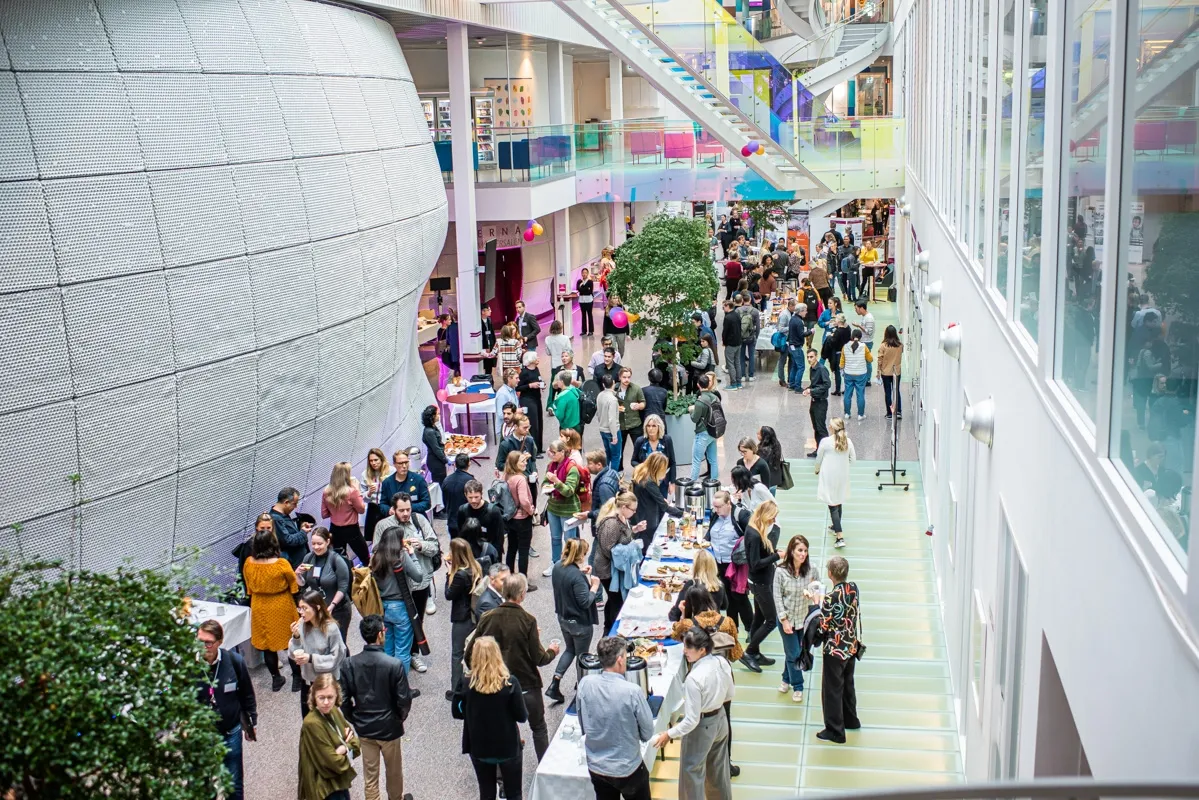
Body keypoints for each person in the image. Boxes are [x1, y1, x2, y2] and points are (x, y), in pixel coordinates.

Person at [468, 574, 561, 761]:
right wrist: (552, 651)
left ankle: (505, 771)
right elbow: (540, 658)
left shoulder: (487, 617)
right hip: (527, 684)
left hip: (496, 685)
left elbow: (470, 653)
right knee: (539, 727)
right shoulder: (528, 620)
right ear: (522, 594)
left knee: (506, 726)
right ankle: (544, 764)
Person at [650, 628, 735, 800]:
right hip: (720, 720)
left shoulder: (694, 678)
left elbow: (691, 720)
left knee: (692, 774)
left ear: (702, 650)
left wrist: (668, 734)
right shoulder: (722, 662)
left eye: (688, 648)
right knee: (718, 770)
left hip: (702, 727)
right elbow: (730, 694)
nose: (684, 651)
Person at [340, 614, 413, 800]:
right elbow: (404, 700)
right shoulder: (394, 664)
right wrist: (398, 718)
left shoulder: (349, 664)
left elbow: (343, 699)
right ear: (381, 634)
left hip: (365, 728)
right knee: (394, 772)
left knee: (370, 776)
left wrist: (354, 718)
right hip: (389, 728)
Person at [575, 636, 655, 800]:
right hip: (627, 768)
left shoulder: (585, 683)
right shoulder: (632, 691)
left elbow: (583, 723)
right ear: (620, 660)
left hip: (597, 767)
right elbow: (647, 732)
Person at [377, 493, 440, 673]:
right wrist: (397, 550)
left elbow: (434, 546)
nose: (405, 514)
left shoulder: (419, 520)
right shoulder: (383, 526)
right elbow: (375, 552)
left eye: (408, 509)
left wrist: (420, 545)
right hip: (396, 587)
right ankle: (396, 660)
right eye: (401, 510)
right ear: (393, 509)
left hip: (420, 583)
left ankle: (413, 654)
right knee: (392, 626)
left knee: (417, 620)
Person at [460, 636, 528, 800]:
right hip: (507, 747)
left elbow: (457, 711)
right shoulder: (510, 683)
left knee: (486, 792)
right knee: (514, 793)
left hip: (479, 747)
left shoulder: (466, 683)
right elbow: (521, 716)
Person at [197, 619, 257, 800]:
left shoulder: (234, 661)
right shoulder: (187, 667)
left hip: (231, 730)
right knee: (203, 784)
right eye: (200, 641)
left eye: (208, 643)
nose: (203, 647)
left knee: (234, 783)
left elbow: (247, 694)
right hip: (202, 735)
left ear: (220, 642)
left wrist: (252, 722)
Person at [546, 538, 604, 704]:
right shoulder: (576, 576)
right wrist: (594, 586)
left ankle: (555, 682)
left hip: (563, 618)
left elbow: (568, 582)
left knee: (570, 649)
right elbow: (585, 601)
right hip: (580, 623)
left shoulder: (558, 566)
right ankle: (582, 686)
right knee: (582, 656)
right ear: (580, 555)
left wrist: (581, 572)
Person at [244, 520, 299, 692]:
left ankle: (276, 679)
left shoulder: (248, 563)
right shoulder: (281, 563)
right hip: (281, 604)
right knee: (290, 642)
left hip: (259, 605)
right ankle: (297, 678)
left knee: (268, 646)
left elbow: (249, 588)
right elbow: (294, 585)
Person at [370, 526, 427, 672]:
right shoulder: (401, 555)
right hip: (400, 606)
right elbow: (418, 576)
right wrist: (412, 555)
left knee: (388, 648)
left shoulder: (376, 556)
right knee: (402, 651)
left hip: (383, 607)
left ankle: (388, 681)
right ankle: (401, 683)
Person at [817, 556, 861, 744]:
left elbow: (823, 625)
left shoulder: (830, 598)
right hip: (851, 644)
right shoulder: (853, 589)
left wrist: (816, 604)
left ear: (830, 573)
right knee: (848, 685)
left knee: (832, 690)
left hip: (835, 649)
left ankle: (835, 730)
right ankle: (851, 719)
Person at [773, 535, 820, 702]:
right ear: (792, 551)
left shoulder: (812, 569)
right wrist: (784, 620)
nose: (803, 554)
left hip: (803, 619)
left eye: (805, 551)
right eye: (800, 550)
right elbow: (777, 597)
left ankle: (785, 679)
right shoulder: (780, 571)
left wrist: (813, 595)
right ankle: (798, 685)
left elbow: (817, 587)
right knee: (794, 653)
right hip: (786, 619)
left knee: (792, 652)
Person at [298, 673, 359, 800]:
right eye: (321, 698)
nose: (326, 703)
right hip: (325, 788)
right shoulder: (311, 723)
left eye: (330, 697)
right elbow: (333, 763)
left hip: (338, 782)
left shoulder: (333, 710)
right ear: (314, 697)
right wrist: (348, 746)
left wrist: (344, 748)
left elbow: (356, 744)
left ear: (336, 695)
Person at [289, 590, 348, 718]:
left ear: (317, 607)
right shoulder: (302, 624)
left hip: (327, 682)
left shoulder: (331, 628)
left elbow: (336, 658)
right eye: (299, 608)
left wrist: (310, 658)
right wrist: (296, 637)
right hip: (308, 680)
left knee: (328, 720)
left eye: (304, 608)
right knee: (309, 719)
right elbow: (292, 654)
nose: (301, 612)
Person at [593, 492, 645, 630]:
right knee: (617, 601)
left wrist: (634, 529)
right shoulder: (611, 524)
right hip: (607, 569)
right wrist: (626, 554)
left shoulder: (620, 518)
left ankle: (608, 627)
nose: (634, 512)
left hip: (611, 567)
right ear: (623, 507)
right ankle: (615, 630)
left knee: (612, 599)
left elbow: (621, 538)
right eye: (633, 509)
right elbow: (609, 549)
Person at [742, 501, 781, 674]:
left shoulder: (755, 530)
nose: (774, 520)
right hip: (760, 583)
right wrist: (776, 557)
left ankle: (756, 653)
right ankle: (750, 652)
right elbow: (755, 563)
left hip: (760, 581)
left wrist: (773, 553)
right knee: (771, 620)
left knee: (759, 617)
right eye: (773, 516)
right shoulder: (755, 535)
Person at [296, 527, 353, 646]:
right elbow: (303, 584)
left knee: (339, 643)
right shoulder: (308, 558)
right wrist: (297, 575)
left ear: (327, 542)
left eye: (319, 544)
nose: (316, 547)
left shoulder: (336, 560)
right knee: (323, 643)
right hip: (319, 609)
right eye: (313, 544)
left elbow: (343, 587)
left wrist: (331, 606)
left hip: (338, 609)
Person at [707, 490, 753, 637]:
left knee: (739, 596)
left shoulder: (741, 516)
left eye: (719, 506)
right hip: (719, 563)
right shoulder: (715, 515)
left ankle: (750, 629)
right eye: (714, 506)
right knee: (727, 596)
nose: (716, 509)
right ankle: (733, 629)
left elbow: (753, 536)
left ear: (729, 504)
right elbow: (710, 532)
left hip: (736, 564)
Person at [445, 538, 482, 697]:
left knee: (457, 653)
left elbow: (449, 594)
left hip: (462, 617)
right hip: (474, 615)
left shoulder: (460, 575)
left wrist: (448, 574)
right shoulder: (476, 567)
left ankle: (456, 690)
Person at [540, 440, 584, 575]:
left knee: (569, 540)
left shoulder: (572, 468)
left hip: (568, 510)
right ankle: (555, 563)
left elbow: (569, 491)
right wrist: (546, 487)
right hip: (553, 508)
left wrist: (556, 481)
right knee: (555, 538)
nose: (551, 455)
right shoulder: (551, 465)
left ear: (562, 452)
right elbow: (545, 482)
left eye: (554, 453)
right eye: (550, 452)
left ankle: (570, 566)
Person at [320, 462, 369, 568]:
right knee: (365, 557)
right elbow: (361, 510)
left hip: (334, 530)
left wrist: (335, 510)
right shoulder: (352, 491)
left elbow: (324, 514)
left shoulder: (326, 491)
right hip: (352, 530)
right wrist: (357, 490)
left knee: (341, 561)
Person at [816, 418, 855, 549]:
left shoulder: (825, 442)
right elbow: (853, 459)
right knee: (839, 500)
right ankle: (835, 526)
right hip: (843, 475)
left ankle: (840, 537)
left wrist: (817, 469)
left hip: (829, 476)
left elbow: (819, 458)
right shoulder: (848, 441)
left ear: (832, 428)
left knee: (832, 504)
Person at [631, 453, 682, 551]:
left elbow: (651, 494)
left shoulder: (641, 471)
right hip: (648, 520)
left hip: (640, 515)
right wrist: (682, 513)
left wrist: (660, 498)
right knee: (648, 548)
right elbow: (664, 507)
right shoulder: (649, 482)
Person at [667, 550, 727, 621]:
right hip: (715, 623)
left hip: (696, 625)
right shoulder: (719, 584)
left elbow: (676, 614)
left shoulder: (691, 585)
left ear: (695, 566)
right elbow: (724, 606)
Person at [503, 450, 536, 579]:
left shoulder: (506, 476)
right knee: (523, 550)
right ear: (515, 463)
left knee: (511, 548)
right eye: (522, 461)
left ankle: (509, 576)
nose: (525, 463)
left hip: (510, 517)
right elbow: (524, 500)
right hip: (522, 518)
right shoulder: (520, 479)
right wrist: (531, 510)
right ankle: (522, 581)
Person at [457, 480, 506, 564]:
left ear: (481, 494)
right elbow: (460, 535)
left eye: (476, 497)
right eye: (470, 497)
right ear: (465, 495)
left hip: (489, 555)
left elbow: (499, 539)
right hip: (469, 557)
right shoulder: (462, 510)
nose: (473, 500)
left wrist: (496, 561)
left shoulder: (493, 511)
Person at [630, 413, 676, 496]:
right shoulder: (640, 441)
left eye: (654, 426)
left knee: (662, 503)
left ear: (659, 427)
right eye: (648, 426)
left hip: (662, 481)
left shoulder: (667, 440)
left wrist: (672, 483)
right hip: (646, 482)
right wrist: (645, 467)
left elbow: (672, 462)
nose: (651, 429)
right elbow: (633, 461)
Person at [381, 450, 432, 519]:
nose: (404, 466)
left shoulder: (418, 480)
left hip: (416, 518)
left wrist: (406, 508)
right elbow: (383, 504)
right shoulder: (387, 483)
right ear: (394, 464)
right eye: (400, 463)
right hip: (395, 520)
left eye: (406, 462)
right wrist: (389, 510)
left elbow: (426, 503)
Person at [689, 375, 721, 480]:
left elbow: (694, 419)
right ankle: (714, 482)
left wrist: (691, 410)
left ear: (698, 385)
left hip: (703, 432)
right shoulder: (715, 397)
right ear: (709, 384)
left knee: (696, 460)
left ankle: (692, 483)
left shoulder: (700, 401)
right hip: (713, 431)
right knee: (713, 460)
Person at [584, 450, 622, 533]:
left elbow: (608, 510)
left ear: (599, 465)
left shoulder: (604, 485)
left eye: (590, 463)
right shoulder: (612, 472)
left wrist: (588, 514)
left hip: (605, 529)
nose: (587, 466)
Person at [270, 487, 309, 568]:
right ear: (286, 502)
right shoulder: (276, 519)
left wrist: (301, 528)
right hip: (293, 566)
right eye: (294, 504)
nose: (296, 507)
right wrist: (303, 532)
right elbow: (287, 540)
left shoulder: (283, 514)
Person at [803, 349, 831, 456]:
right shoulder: (812, 369)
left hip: (821, 402)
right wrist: (808, 389)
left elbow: (827, 384)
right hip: (814, 402)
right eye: (808, 357)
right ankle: (819, 450)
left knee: (821, 428)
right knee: (816, 428)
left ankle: (827, 451)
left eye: (811, 357)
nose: (809, 359)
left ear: (816, 357)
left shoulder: (821, 369)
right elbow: (814, 384)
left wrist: (812, 391)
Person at [517, 351, 547, 454]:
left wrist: (542, 384)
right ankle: (533, 450)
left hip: (536, 398)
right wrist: (530, 385)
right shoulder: (524, 372)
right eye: (536, 357)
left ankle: (539, 447)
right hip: (528, 400)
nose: (538, 358)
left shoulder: (536, 369)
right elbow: (518, 387)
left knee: (539, 423)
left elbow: (539, 379)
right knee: (533, 425)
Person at [360, 450, 393, 544]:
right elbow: (362, 496)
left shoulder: (391, 471)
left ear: (381, 459)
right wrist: (369, 493)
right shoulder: (365, 474)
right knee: (374, 538)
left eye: (376, 460)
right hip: (373, 508)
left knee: (389, 537)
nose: (373, 463)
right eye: (371, 461)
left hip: (388, 506)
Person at [494, 412, 537, 480]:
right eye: (524, 428)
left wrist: (534, 471)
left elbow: (532, 460)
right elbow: (499, 465)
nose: (527, 430)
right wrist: (517, 463)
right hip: (514, 479)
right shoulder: (505, 444)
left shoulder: (529, 440)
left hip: (529, 477)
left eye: (528, 427)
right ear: (515, 427)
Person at [840, 329, 872, 420]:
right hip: (861, 374)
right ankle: (860, 415)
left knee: (847, 394)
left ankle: (847, 413)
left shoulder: (845, 346)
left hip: (848, 373)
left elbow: (842, 362)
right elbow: (870, 359)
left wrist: (842, 369)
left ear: (851, 336)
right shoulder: (864, 346)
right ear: (860, 337)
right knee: (860, 394)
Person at [443, 453, 474, 539]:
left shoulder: (446, 480)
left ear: (455, 464)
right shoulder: (470, 481)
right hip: (467, 522)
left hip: (452, 521)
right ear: (469, 464)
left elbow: (445, 501)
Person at [877, 324, 904, 418]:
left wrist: (878, 371)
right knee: (896, 391)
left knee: (888, 392)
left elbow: (880, 360)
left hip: (886, 372)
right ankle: (898, 411)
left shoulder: (883, 346)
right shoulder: (900, 345)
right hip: (896, 371)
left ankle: (889, 413)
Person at [821, 313, 851, 397]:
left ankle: (838, 389)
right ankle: (847, 388)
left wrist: (831, 337)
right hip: (846, 352)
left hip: (838, 353)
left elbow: (833, 342)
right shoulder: (847, 329)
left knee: (837, 372)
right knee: (845, 371)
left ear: (839, 321)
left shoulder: (838, 331)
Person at [596, 374, 622, 469]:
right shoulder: (613, 400)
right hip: (611, 431)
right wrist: (614, 435)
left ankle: (605, 473)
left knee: (608, 454)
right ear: (613, 383)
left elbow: (598, 413)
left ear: (603, 385)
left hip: (602, 429)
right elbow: (612, 419)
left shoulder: (600, 395)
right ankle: (613, 475)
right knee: (616, 456)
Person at [422, 404, 448, 486]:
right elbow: (436, 449)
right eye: (437, 414)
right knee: (440, 484)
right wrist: (445, 460)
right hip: (435, 462)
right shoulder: (429, 432)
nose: (439, 416)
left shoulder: (433, 427)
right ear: (432, 416)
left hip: (437, 460)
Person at [551, 369, 583, 437]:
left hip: (567, 428)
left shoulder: (562, 397)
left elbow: (559, 415)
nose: (557, 382)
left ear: (562, 381)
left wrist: (554, 407)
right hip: (577, 425)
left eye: (558, 380)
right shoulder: (574, 391)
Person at [786, 298, 809, 392]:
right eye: (805, 311)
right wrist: (810, 332)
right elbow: (801, 334)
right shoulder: (799, 321)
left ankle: (792, 384)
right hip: (796, 346)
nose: (806, 312)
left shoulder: (793, 318)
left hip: (791, 346)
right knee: (801, 367)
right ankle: (797, 387)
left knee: (795, 366)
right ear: (801, 311)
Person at [720, 299, 743, 390]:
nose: (723, 309)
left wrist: (724, 342)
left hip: (730, 343)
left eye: (723, 307)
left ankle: (733, 384)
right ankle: (739, 382)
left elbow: (725, 331)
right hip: (738, 342)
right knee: (737, 362)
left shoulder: (727, 318)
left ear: (727, 306)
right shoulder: (737, 315)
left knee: (730, 364)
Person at [853, 300, 877, 384]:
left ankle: (867, 379)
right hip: (864, 341)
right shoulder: (865, 317)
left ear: (862, 308)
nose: (856, 311)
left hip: (867, 342)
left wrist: (859, 326)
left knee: (867, 361)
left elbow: (868, 332)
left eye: (856, 309)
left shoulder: (869, 318)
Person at [493, 369, 521, 438]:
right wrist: (516, 411)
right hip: (504, 431)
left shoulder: (513, 390)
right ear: (509, 379)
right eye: (516, 378)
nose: (519, 380)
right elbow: (500, 415)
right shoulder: (503, 394)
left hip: (512, 428)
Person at [756, 426, 784, 494]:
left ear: (764, 436)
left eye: (758, 434)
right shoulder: (776, 445)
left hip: (765, 480)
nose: (757, 435)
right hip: (775, 478)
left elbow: (760, 464)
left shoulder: (763, 450)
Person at [577, 267, 596, 336]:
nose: (584, 274)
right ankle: (584, 331)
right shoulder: (579, 281)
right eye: (583, 273)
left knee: (589, 315)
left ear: (587, 273)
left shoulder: (590, 282)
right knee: (583, 315)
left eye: (585, 273)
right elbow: (578, 289)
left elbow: (590, 291)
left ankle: (591, 331)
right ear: (581, 274)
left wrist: (582, 289)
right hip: (581, 300)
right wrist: (586, 288)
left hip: (589, 300)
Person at [480, 303, 498, 378]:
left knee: (489, 367)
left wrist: (494, 346)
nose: (490, 311)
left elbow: (492, 334)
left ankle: (489, 380)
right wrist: (485, 347)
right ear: (483, 311)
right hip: (482, 348)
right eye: (488, 310)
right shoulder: (478, 321)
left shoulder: (489, 320)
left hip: (491, 346)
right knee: (482, 366)